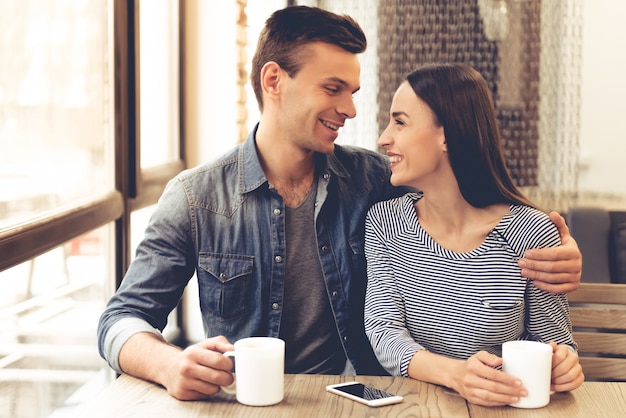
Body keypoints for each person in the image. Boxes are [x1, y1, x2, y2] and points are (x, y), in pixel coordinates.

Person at [97, 6, 582, 401]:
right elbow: (120, 319)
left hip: (362, 403)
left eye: (352, 92)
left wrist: (558, 252)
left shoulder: (373, 180)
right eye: (332, 89)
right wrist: (168, 363)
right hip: (251, 404)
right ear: (273, 81)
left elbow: (468, 197)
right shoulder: (197, 198)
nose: (350, 109)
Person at [363, 63, 584, 407]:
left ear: (447, 134)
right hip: (418, 408)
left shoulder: (531, 231)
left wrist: (564, 363)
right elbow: (384, 331)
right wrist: (455, 375)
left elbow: (555, 340)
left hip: (508, 408)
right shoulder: (385, 223)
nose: (383, 138)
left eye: (400, 121)